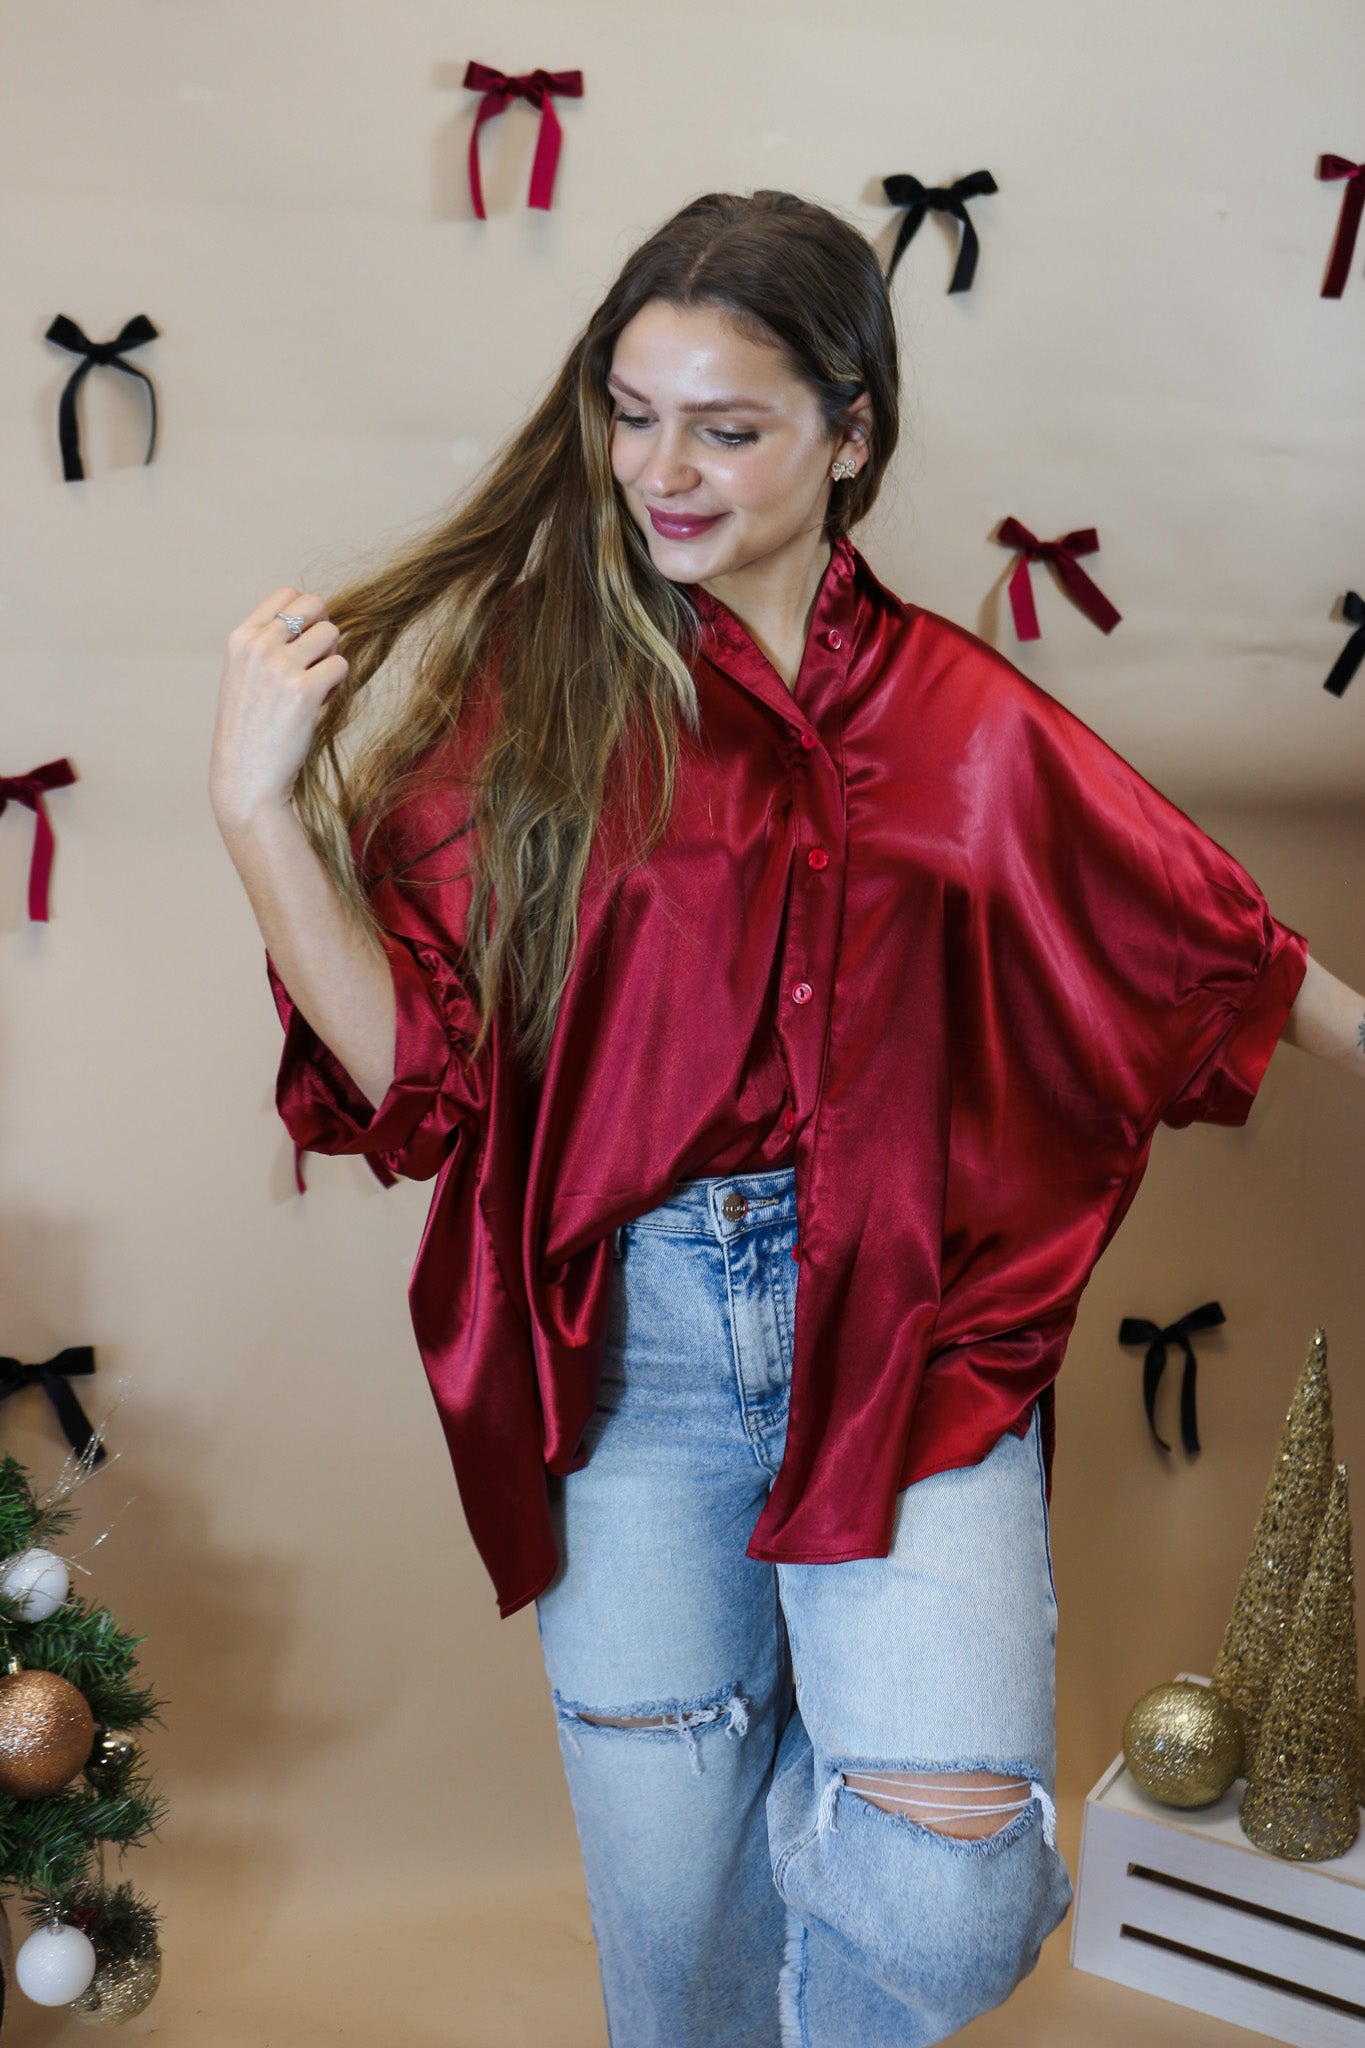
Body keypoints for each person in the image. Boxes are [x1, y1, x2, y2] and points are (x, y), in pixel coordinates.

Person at [210, 191, 1365, 2048]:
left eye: (725, 427)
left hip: (912, 1340)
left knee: (948, 1896)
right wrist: (257, 812)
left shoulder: (965, 719)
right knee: (679, 1964)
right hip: (633, 1364)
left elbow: (1221, 946)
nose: (658, 472)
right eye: (630, 413)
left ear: (849, 435)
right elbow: (416, 1079)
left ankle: (813, 1809)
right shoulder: (538, 699)